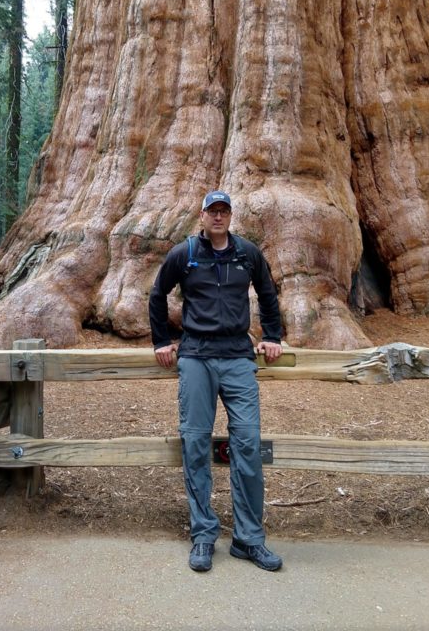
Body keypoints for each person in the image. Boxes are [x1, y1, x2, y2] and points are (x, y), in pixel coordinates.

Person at [148, 190, 284, 573]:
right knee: (194, 442)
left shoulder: (247, 254)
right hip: (196, 357)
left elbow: (268, 293)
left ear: (230, 215)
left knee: (248, 442)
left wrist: (272, 336)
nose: (219, 217)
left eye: (224, 211)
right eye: (213, 211)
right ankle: (204, 535)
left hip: (238, 358)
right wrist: (161, 341)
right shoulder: (185, 253)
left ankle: (248, 539)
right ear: (202, 215)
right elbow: (158, 296)